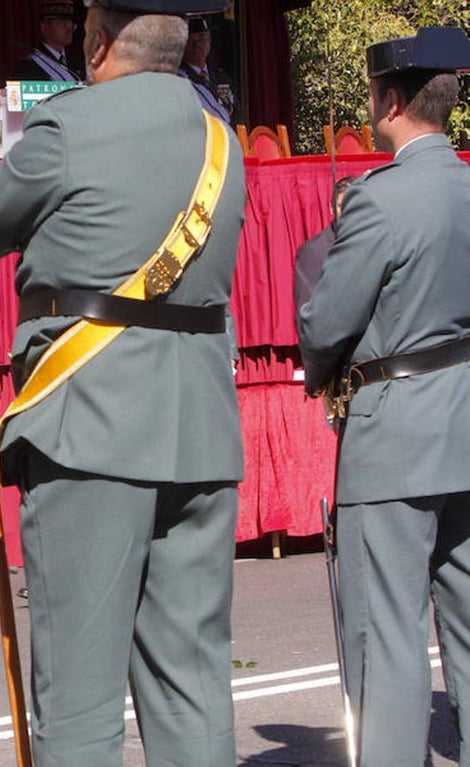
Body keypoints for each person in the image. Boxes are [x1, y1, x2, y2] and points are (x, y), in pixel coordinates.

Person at [0, 1, 246, 764]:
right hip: (200, 428)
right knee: (193, 686)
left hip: (92, 426)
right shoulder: (222, 141)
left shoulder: (68, 127)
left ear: (97, 44)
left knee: (78, 696)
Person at [298, 27, 470, 765]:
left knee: (387, 637)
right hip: (465, 420)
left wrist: (319, 366)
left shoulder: (379, 199)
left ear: (391, 101)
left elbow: (327, 320)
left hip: (395, 430)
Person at [293, 175, 355, 310]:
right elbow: (307, 310)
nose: (347, 212)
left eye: (352, 206)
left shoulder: (373, 243)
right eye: (341, 206)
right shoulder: (313, 251)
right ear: (331, 208)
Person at [178, 15, 236, 123]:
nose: (197, 45)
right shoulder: (180, 78)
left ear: (209, 42)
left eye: (201, 39)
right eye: (190, 41)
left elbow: (236, 112)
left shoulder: (221, 77)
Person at [8, 0, 83, 83]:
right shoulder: (28, 67)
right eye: (61, 22)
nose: (69, 27)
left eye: (70, 22)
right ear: (45, 27)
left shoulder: (78, 61)